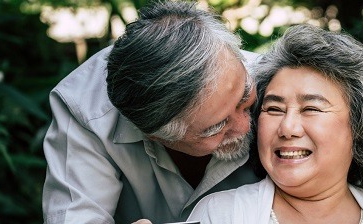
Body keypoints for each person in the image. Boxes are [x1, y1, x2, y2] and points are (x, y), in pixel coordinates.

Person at [41, 1, 262, 223]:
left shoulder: (279, 82)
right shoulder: (87, 111)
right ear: (154, 135)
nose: (245, 126)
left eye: (244, 96)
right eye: (216, 127)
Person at [187, 24, 363, 224]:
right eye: (273, 109)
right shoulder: (220, 215)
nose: (287, 128)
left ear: (359, 125)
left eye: (311, 108)